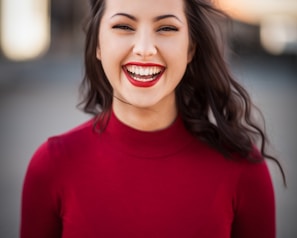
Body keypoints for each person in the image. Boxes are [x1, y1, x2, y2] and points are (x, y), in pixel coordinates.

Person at [21, 0, 285, 237]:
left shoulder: (244, 169)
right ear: (98, 45)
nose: (145, 49)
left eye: (166, 28)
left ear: (191, 48)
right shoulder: (52, 166)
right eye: (124, 26)